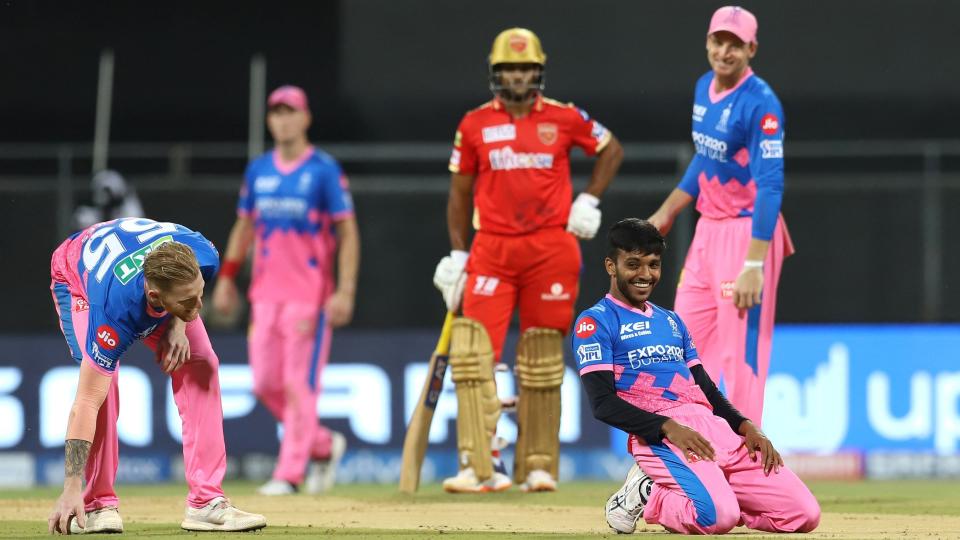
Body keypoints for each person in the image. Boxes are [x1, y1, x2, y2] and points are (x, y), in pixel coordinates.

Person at [433, 27, 624, 493]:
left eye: (524, 68)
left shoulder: (563, 116)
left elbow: (610, 148)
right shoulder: (474, 124)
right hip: (492, 249)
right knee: (477, 357)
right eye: (508, 69)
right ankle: (478, 463)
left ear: (538, 71)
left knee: (541, 357)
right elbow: (459, 195)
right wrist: (459, 253)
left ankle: (538, 463)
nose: (517, 77)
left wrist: (590, 201)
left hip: (550, 250)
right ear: (495, 74)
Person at [573, 218, 819, 535]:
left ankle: (720, 497)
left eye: (653, 265)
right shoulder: (595, 322)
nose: (645, 275)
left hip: (712, 431)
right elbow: (603, 404)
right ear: (611, 265)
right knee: (716, 518)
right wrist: (668, 428)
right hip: (663, 437)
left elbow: (705, 389)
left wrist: (746, 426)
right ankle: (649, 494)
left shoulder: (672, 321)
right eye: (633, 264)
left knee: (803, 515)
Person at [47, 218, 266, 534]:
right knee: (103, 389)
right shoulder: (112, 312)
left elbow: (191, 286)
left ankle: (206, 503)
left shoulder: (203, 254)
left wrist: (179, 321)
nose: (199, 306)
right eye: (187, 303)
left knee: (202, 364)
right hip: (77, 280)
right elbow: (85, 404)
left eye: (199, 295)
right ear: (154, 297)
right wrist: (69, 487)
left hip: (135, 260)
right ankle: (97, 504)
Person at [647, 5, 794, 425]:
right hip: (707, 231)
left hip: (746, 233)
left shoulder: (761, 105)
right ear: (708, 42)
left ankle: (748, 469)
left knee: (741, 358)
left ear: (752, 49)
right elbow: (706, 160)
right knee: (684, 343)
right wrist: (668, 210)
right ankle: (697, 451)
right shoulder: (702, 88)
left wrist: (753, 263)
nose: (725, 52)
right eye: (718, 41)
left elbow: (770, 184)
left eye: (735, 45)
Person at [212, 85, 359, 496]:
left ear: (306, 118)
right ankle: (323, 446)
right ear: (269, 120)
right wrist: (226, 278)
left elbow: (348, 233)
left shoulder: (324, 170)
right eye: (276, 112)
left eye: (290, 111)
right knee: (263, 383)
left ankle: (289, 473)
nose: (283, 119)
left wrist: (344, 290)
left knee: (299, 385)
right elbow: (244, 227)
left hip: (309, 295)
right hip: (265, 295)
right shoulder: (259, 170)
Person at [73, 170, 145, 230]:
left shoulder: (130, 213)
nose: (106, 196)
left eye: (108, 192)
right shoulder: (86, 215)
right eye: (103, 192)